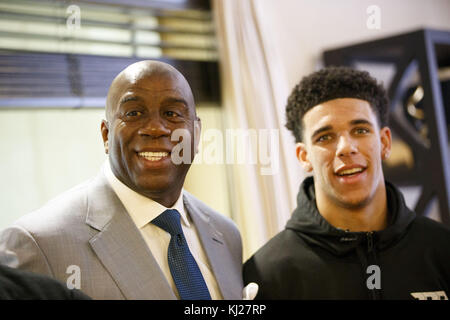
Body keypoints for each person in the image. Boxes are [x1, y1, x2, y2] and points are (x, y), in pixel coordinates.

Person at [0, 60, 243, 300]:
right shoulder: (37, 244)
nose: (156, 128)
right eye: (134, 113)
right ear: (106, 135)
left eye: (172, 113)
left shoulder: (226, 234)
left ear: (197, 134)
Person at [243, 66, 450, 300]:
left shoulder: (441, 249)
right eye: (325, 137)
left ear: (384, 142)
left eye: (360, 130)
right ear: (304, 156)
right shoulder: (268, 273)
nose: (346, 148)